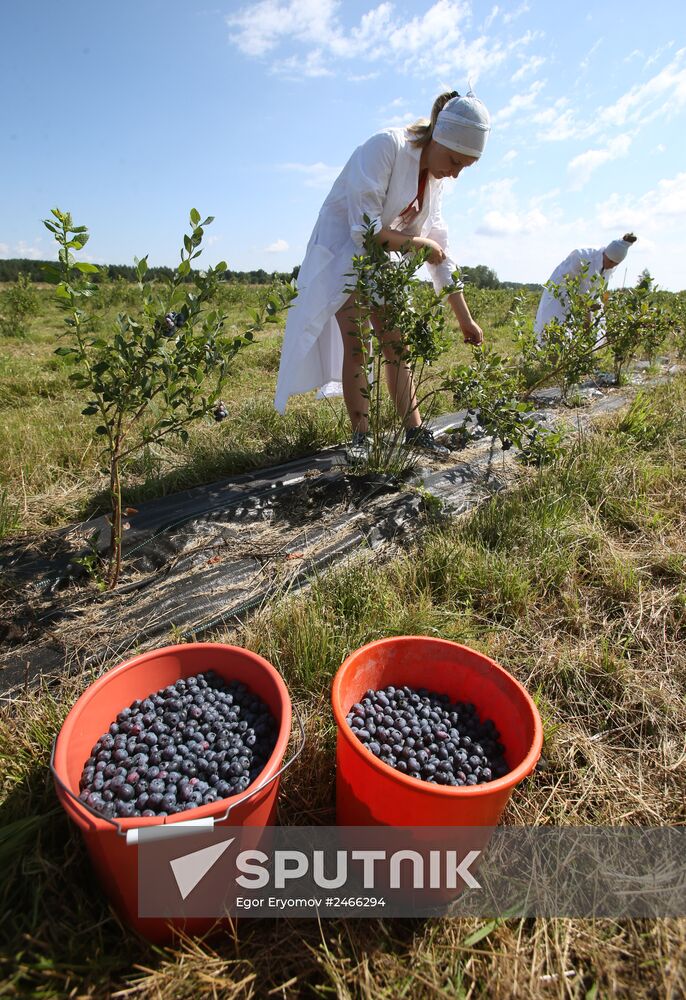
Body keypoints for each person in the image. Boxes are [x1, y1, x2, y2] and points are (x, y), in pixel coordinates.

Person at [274, 90, 490, 458]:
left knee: (397, 345)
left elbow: (442, 253)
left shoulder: (434, 184)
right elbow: (366, 231)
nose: (454, 173)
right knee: (359, 344)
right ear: (437, 135)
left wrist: (465, 320)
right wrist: (418, 244)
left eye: (463, 168)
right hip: (347, 252)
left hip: (384, 257)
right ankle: (361, 438)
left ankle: (415, 431)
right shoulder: (386, 147)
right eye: (454, 161)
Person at [534, 233, 638, 345]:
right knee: (554, 335)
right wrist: (584, 309)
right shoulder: (581, 257)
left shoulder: (609, 268)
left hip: (584, 303)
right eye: (610, 261)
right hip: (560, 299)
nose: (611, 266)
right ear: (605, 254)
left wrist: (591, 308)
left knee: (590, 337)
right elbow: (567, 284)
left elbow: (594, 290)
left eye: (615, 264)